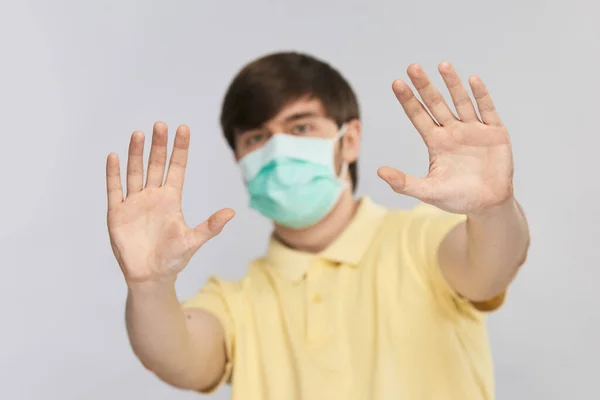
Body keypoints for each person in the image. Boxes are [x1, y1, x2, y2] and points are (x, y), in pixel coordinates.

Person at [105, 52, 530, 399]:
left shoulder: (420, 242)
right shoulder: (237, 301)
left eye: (301, 127)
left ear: (349, 140)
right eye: (255, 137)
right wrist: (149, 286)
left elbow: (489, 269)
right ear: (239, 160)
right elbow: (178, 360)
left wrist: (493, 209)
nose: (277, 150)